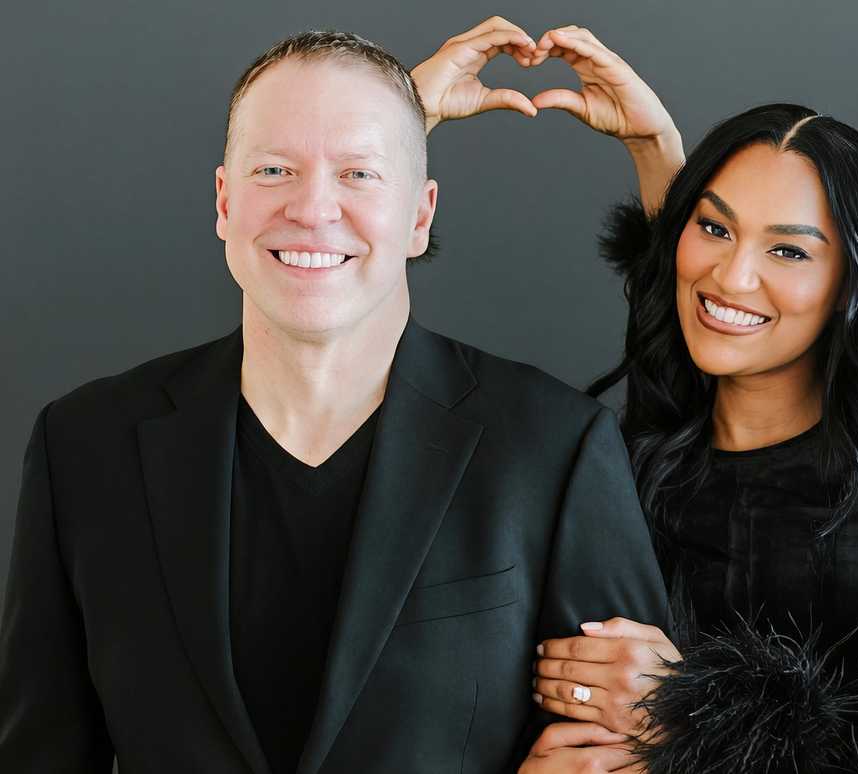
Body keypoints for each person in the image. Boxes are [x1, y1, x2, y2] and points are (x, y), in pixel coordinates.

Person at [0, 29, 670, 773]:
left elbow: (634, 746)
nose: (313, 208)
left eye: (358, 174)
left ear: (420, 216)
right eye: (275, 168)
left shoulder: (554, 448)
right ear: (225, 201)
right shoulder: (85, 447)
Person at [413, 21, 858, 774]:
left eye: (788, 250)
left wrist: (695, 718)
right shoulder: (631, 457)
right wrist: (399, 116)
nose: (731, 277)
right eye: (713, 227)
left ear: (856, 280)